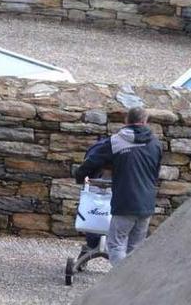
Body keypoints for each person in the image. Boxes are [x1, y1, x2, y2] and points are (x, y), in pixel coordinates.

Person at [75, 107, 162, 266]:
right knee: (135, 247)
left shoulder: (116, 141)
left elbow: (92, 161)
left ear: (126, 121)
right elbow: (155, 173)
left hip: (125, 201)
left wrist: (80, 176)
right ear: (145, 122)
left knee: (115, 244)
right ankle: (133, 283)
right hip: (147, 203)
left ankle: (120, 282)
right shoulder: (156, 144)